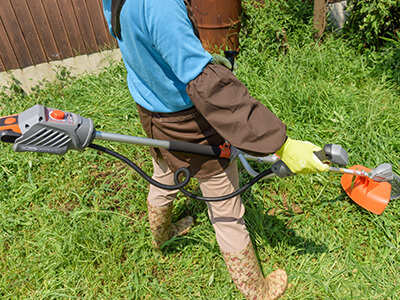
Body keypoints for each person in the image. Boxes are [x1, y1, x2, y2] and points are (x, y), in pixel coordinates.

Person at [102, 0, 329, 299]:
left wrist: (196, 57)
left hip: (151, 109)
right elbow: (207, 85)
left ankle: (161, 236)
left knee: (165, 174)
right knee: (225, 207)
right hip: (189, 121)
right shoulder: (159, 4)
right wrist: (280, 144)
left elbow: (148, 43)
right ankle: (256, 290)